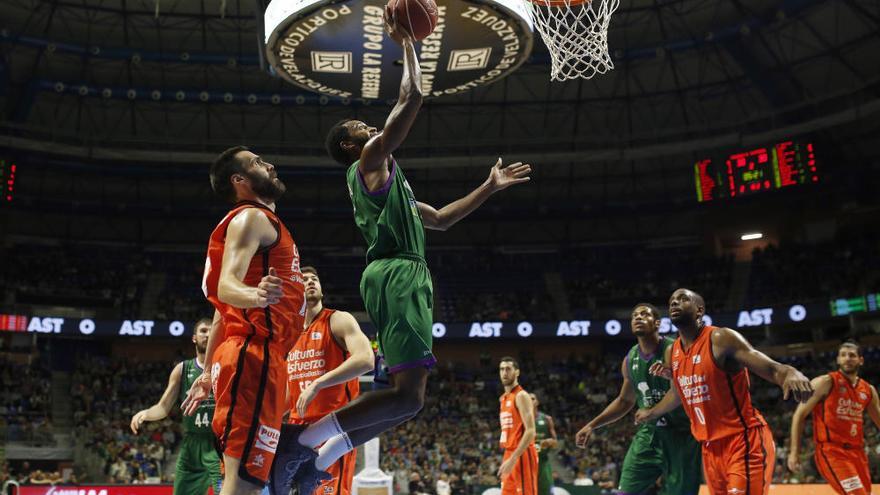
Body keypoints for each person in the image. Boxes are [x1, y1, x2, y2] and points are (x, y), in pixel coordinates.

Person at [279, 5, 532, 490]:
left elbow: (440, 218)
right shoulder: (372, 160)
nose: (368, 126)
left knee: (407, 400)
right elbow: (413, 94)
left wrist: (489, 186)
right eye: (359, 126)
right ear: (352, 147)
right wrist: (409, 43)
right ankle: (307, 442)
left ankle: (318, 458)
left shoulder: (386, 183)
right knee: (409, 396)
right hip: (398, 274)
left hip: (396, 273)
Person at [182, 146, 306, 495]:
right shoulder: (251, 218)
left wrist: (207, 373)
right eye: (256, 163)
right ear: (239, 180)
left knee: (245, 483)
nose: (269, 164)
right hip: (253, 356)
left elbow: (222, 311)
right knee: (243, 485)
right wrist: (257, 296)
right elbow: (227, 287)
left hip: (255, 357)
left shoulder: (263, 222)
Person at [635, 288, 813, 495]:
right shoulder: (672, 351)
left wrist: (790, 372)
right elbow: (678, 392)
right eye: (672, 301)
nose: (675, 303)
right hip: (710, 449)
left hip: (742, 441)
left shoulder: (720, 338)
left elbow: (770, 367)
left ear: (699, 310)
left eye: (683, 299)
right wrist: (652, 412)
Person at [575, 303, 701, 495]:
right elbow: (625, 401)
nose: (638, 318)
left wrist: (650, 411)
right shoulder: (629, 359)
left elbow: (681, 392)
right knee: (625, 491)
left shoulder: (674, 350)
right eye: (635, 315)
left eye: (644, 314)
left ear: (657, 323)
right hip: (649, 435)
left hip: (681, 435)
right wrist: (592, 425)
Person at [280, 266, 374, 495]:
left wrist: (318, 383)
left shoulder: (338, 320)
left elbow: (366, 359)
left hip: (333, 428)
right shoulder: (287, 335)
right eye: (304, 280)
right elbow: (286, 392)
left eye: (315, 278)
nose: (311, 281)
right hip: (296, 432)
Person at [130, 318, 222, 495]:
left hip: (218, 442)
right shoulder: (182, 369)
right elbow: (163, 407)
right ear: (194, 338)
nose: (208, 334)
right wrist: (146, 413)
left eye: (212, 330)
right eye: (203, 331)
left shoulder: (224, 366)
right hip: (191, 444)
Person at [787, 340, 880, 495]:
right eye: (843, 355)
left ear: (860, 360)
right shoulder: (825, 382)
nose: (847, 358)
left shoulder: (868, 390)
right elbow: (799, 415)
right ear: (837, 359)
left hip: (857, 453)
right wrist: (794, 452)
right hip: (832, 451)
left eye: (852, 355)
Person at [498, 357, 538, 495]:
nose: (504, 372)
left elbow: (531, 431)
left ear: (517, 372)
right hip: (509, 452)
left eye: (508, 369)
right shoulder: (503, 398)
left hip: (522, 453)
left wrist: (513, 458)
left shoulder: (521, 395)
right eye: (502, 369)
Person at [529, 393, 558, 495]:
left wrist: (549, 442)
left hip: (542, 461)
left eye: (532, 399)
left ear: (537, 402)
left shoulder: (546, 419)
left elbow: (555, 443)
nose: (530, 401)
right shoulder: (520, 420)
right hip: (526, 461)